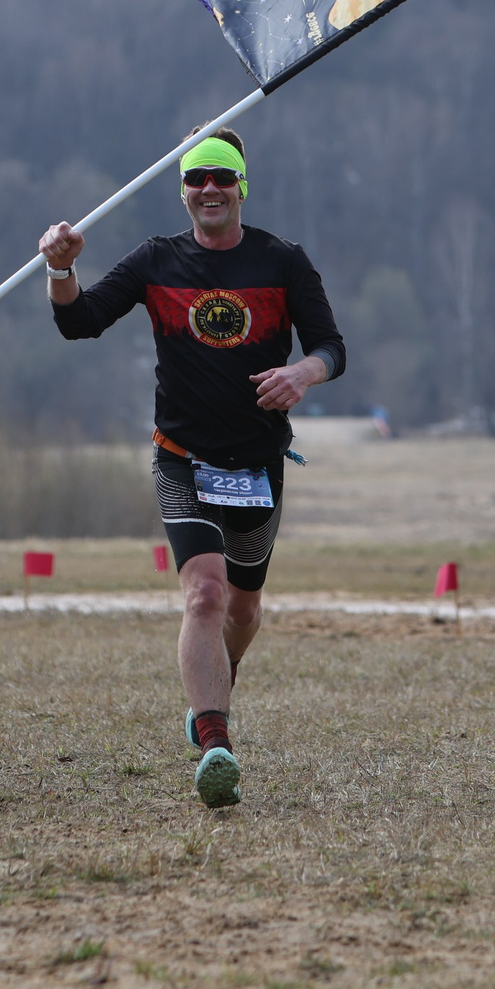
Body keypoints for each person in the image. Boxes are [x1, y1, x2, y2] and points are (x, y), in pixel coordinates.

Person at [41, 128, 344, 808]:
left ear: (242, 188)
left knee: (241, 604)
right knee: (203, 595)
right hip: (182, 458)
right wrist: (60, 270)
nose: (209, 188)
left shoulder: (282, 261)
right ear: (182, 192)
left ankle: (217, 683)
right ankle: (215, 745)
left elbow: (331, 345)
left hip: (259, 462)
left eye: (222, 177)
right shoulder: (156, 261)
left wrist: (303, 372)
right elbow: (79, 322)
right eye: (196, 178)